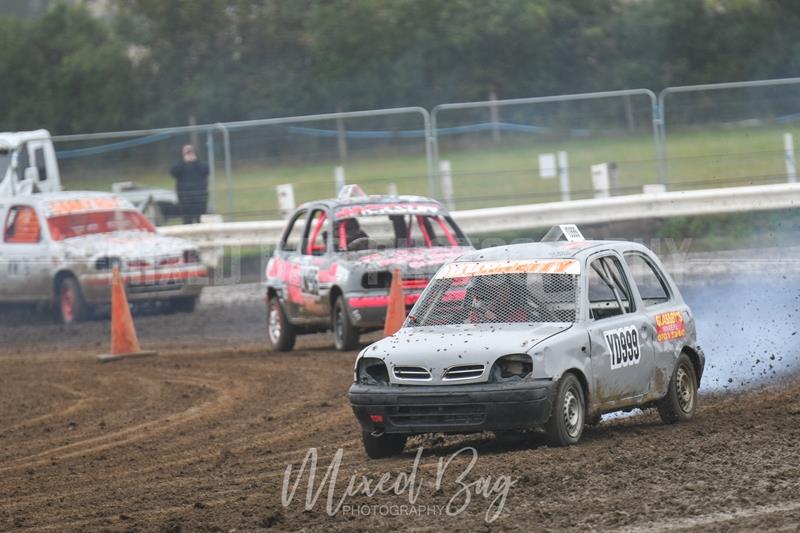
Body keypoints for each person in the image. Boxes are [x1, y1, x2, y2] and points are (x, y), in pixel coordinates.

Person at [170, 144, 209, 224]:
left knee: (200, 218)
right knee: (187, 218)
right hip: (185, 196)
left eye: (191, 152)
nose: (189, 154)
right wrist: (184, 161)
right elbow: (173, 172)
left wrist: (195, 161)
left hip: (199, 195)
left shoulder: (200, 164)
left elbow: (206, 171)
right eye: (187, 152)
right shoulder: (180, 165)